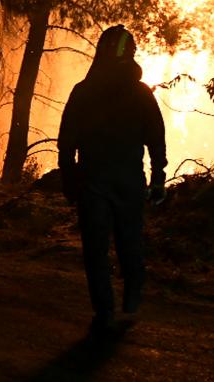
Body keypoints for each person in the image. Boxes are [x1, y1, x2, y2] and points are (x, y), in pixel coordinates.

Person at [58, 25, 167, 333]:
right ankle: (132, 297)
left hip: (93, 182)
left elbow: (66, 141)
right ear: (131, 53)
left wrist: (69, 179)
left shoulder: (83, 90)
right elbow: (156, 138)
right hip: (130, 180)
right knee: (130, 241)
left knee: (95, 249)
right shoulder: (141, 93)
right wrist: (158, 177)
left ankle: (104, 310)